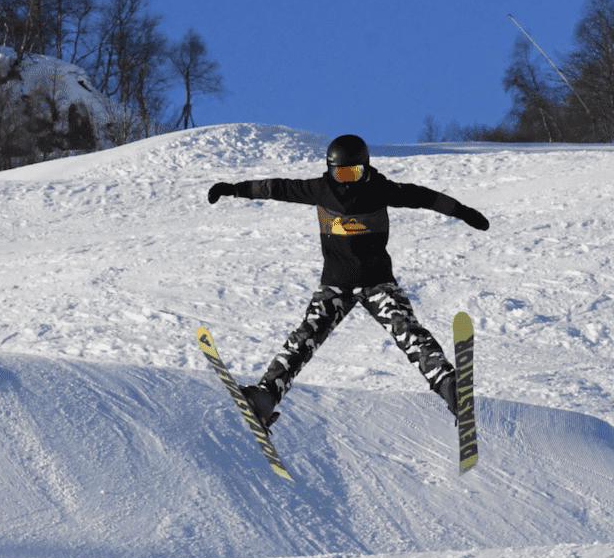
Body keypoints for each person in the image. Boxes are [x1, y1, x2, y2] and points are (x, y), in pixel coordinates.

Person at [207, 134, 489, 428]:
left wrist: (464, 212)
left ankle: (452, 390)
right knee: (304, 338)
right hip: (335, 286)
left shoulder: (381, 189)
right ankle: (264, 398)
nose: (347, 181)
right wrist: (233, 190)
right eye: (340, 173)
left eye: (353, 173)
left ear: (365, 168)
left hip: (377, 283)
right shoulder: (319, 189)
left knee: (408, 333)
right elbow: (274, 188)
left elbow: (425, 197)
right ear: (329, 170)